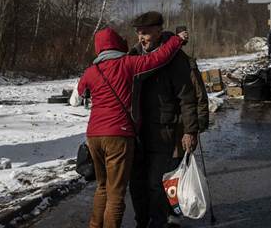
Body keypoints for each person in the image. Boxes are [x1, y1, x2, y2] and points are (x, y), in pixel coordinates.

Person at [77, 26, 187, 228]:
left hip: (93, 135)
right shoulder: (127, 63)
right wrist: (176, 41)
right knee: (116, 193)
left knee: (102, 187)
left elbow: (80, 91)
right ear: (117, 44)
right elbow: (157, 58)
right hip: (118, 135)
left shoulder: (91, 71)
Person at [128, 12, 199, 228]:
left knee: (155, 183)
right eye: (139, 33)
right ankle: (142, 222)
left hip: (163, 130)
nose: (142, 38)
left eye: (146, 33)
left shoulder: (175, 58)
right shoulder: (133, 55)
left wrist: (190, 130)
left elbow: (187, 97)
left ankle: (158, 222)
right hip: (137, 132)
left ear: (159, 31)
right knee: (137, 183)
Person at [176, 25, 209, 133]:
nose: (186, 35)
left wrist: (201, 119)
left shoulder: (188, 61)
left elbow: (200, 93)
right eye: (183, 33)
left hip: (184, 122)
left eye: (187, 33)